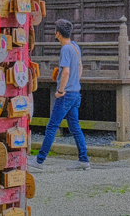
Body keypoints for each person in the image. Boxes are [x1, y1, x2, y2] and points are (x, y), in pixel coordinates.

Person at [28, 19, 89, 171]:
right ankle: (83, 160)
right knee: (75, 127)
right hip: (76, 92)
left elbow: (66, 71)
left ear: (58, 33)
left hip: (66, 94)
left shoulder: (65, 50)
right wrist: (74, 82)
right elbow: (80, 68)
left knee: (51, 127)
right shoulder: (75, 47)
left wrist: (61, 91)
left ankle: (39, 160)